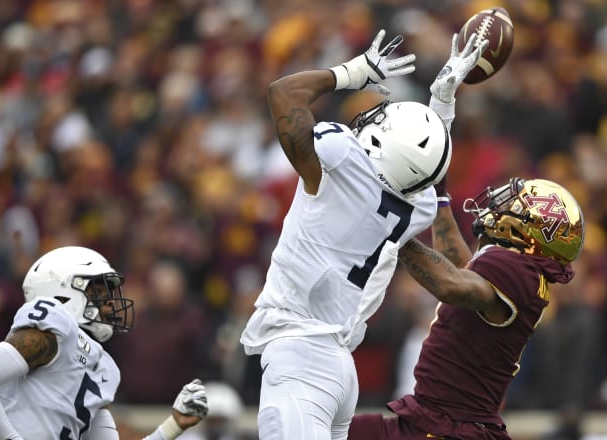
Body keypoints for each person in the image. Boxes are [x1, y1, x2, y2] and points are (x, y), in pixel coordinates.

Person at [239, 29, 487, 439]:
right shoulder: (416, 208)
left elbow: (283, 92)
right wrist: (441, 107)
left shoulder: (341, 158)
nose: (374, 118)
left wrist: (353, 72)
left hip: (300, 354)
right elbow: (424, 173)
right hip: (339, 367)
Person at [348, 176, 585, 440]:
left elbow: (450, 284)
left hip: (451, 427)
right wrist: (438, 195)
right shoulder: (522, 272)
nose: (499, 205)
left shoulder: (519, 271)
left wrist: (392, 227)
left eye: (513, 206)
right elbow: (458, 268)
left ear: (528, 229)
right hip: (439, 420)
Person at [0, 246, 209, 440]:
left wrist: (173, 426)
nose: (109, 302)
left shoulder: (102, 367)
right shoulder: (52, 326)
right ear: (62, 290)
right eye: (98, 291)